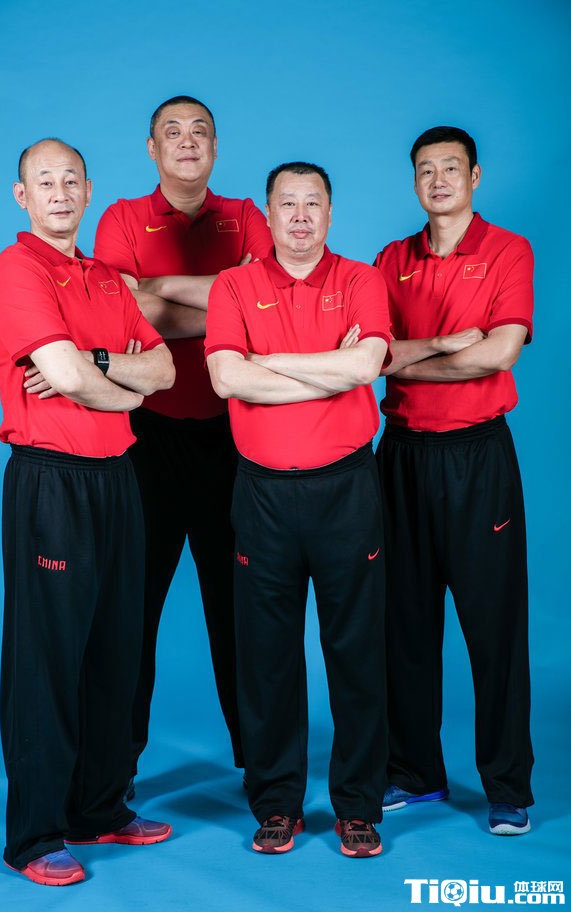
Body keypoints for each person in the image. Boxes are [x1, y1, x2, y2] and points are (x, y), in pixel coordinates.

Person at [0, 139, 176, 886]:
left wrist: (98, 369)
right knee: (48, 657)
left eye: (71, 180)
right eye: (45, 181)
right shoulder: (16, 270)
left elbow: (161, 370)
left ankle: (98, 807)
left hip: (117, 477)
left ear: (89, 190)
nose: (60, 192)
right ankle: (35, 833)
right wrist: (118, 382)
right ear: (22, 195)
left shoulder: (103, 276)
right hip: (52, 481)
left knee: (115, 649)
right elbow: (59, 372)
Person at [205, 162, 391, 857]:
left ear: (331, 213)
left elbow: (365, 367)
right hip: (262, 494)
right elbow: (225, 376)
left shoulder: (361, 279)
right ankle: (277, 803)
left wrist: (268, 362)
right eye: (288, 204)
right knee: (266, 656)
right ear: (269, 214)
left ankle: (358, 805)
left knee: (356, 650)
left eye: (313, 203)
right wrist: (323, 366)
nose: (301, 216)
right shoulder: (233, 285)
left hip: (346, 489)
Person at [94, 96, 272, 792]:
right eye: (172, 131)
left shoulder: (246, 216)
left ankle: (265, 776)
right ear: (152, 148)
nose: (187, 141)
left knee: (241, 610)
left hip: (234, 439)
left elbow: (268, 315)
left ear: (216, 147)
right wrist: (230, 302)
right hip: (149, 437)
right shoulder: (121, 218)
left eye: (200, 131)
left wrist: (160, 291)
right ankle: (112, 774)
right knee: (131, 609)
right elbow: (119, 314)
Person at [374, 126, 534, 836]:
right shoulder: (391, 259)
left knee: (493, 627)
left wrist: (409, 360)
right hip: (402, 456)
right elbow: (372, 356)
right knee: (403, 623)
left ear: (474, 176)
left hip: (477, 457)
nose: (437, 180)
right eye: (424, 170)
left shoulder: (508, 251)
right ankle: (415, 772)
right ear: (414, 182)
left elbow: (499, 353)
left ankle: (507, 784)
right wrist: (438, 351)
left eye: (450, 168)